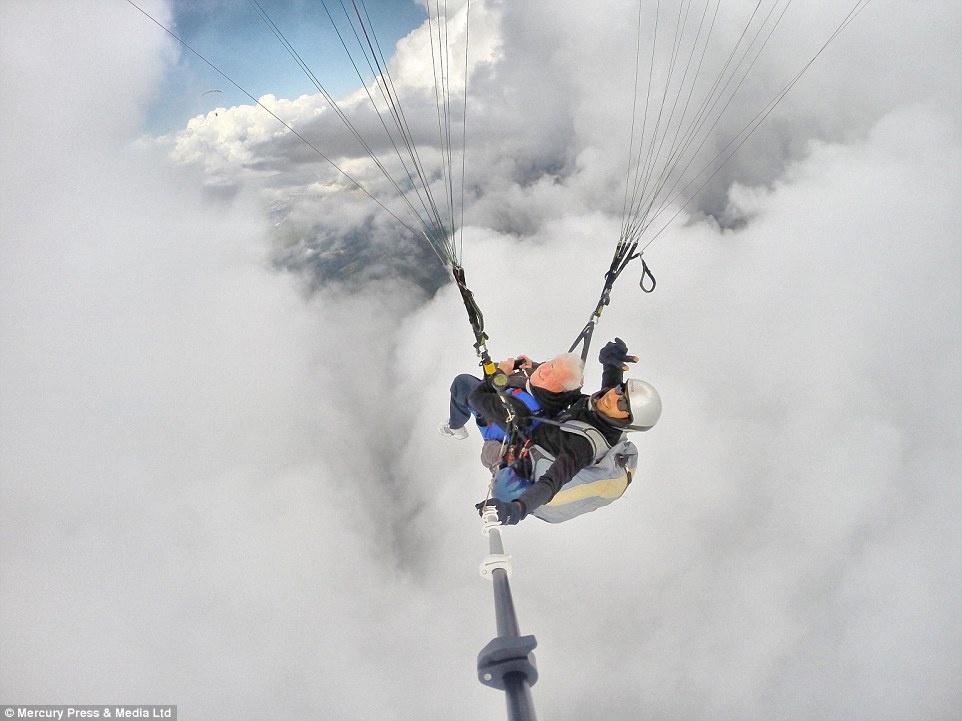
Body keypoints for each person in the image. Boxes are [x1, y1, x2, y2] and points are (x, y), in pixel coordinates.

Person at [477, 338, 661, 525]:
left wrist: (517, 509)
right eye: (622, 390)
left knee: (491, 457)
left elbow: (551, 483)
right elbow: (611, 384)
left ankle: (499, 466)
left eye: (623, 404)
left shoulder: (584, 446)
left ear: (627, 423)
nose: (614, 397)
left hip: (531, 466)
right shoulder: (605, 404)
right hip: (545, 432)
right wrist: (611, 362)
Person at [439, 352, 585, 443]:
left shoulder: (521, 410)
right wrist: (533, 365)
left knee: (462, 383)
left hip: (497, 421)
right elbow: (558, 375)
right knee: (492, 369)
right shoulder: (565, 393)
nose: (544, 370)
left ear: (560, 387)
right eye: (551, 363)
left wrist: (501, 372)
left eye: (554, 374)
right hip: (512, 399)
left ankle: (455, 426)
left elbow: (476, 398)